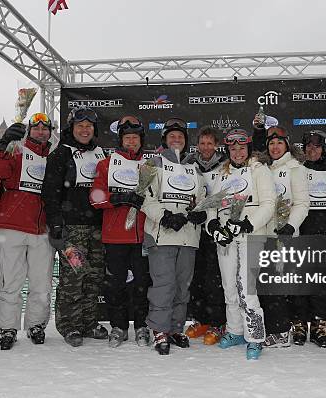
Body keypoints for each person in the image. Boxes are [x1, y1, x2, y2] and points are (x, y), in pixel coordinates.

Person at [41, 106, 108, 347]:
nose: (84, 130)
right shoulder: (60, 154)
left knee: (94, 277)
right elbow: (50, 192)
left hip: (98, 228)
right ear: (72, 128)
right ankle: (69, 325)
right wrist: (56, 225)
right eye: (80, 126)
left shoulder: (102, 154)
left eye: (89, 126)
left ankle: (88, 323)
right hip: (72, 229)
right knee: (74, 276)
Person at [207, 128, 276, 360]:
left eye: (242, 147)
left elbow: (268, 204)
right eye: (233, 148)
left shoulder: (259, 169)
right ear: (228, 150)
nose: (237, 152)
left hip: (251, 234)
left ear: (248, 148)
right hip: (227, 235)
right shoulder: (222, 172)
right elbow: (212, 206)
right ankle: (235, 330)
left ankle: (255, 337)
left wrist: (248, 224)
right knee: (229, 286)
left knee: (247, 288)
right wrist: (214, 228)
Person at [141, 117, 206, 355]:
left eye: (180, 136)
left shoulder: (194, 167)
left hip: (188, 236)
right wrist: (164, 216)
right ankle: (159, 329)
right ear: (165, 140)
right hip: (163, 235)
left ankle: (176, 328)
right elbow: (145, 198)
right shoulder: (152, 164)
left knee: (182, 286)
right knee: (163, 285)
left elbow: (201, 199)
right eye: (172, 136)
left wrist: (201, 214)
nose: (177, 139)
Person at [0, 113, 55, 350]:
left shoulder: (54, 155)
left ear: (49, 132)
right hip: (12, 226)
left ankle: (36, 324)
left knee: (42, 283)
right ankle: (8, 328)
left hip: (42, 229)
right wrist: (2, 146)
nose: (40, 132)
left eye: (44, 128)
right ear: (29, 130)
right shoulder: (16, 150)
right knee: (10, 281)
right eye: (35, 128)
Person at [90, 115, 151, 348]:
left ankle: (142, 326)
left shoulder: (150, 165)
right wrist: (117, 198)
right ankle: (119, 326)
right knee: (115, 284)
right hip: (115, 235)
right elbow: (94, 198)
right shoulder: (105, 164)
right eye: (127, 138)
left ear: (140, 140)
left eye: (135, 138)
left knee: (141, 284)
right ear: (121, 140)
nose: (131, 142)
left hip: (142, 236)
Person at [261, 126, 309, 348]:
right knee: (267, 286)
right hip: (263, 234)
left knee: (278, 286)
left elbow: (301, 203)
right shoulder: (262, 168)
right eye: (271, 143)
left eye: (279, 143)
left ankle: (281, 330)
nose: (275, 147)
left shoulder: (295, 168)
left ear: (287, 145)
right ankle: (272, 328)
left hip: (285, 236)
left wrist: (291, 226)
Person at [294, 130, 326, 348]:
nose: (312, 150)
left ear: (324, 149)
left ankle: (320, 324)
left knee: (322, 283)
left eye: (316, 147)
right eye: (308, 147)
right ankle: (300, 323)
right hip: (302, 233)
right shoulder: (297, 170)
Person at [183, 126, 227, 345]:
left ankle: (219, 322)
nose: (206, 147)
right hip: (194, 227)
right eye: (202, 143)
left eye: (210, 143)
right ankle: (201, 319)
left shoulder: (226, 165)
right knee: (198, 277)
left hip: (216, 226)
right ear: (197, 145)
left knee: (216, 278)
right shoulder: (188, 164)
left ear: (216, 145)